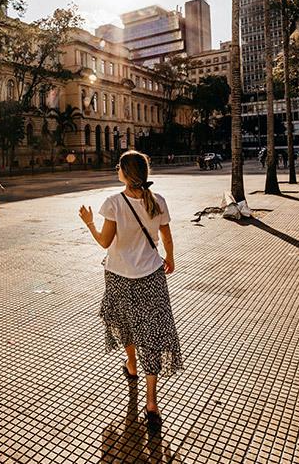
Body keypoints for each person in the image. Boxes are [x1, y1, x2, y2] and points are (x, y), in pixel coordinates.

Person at [79, 150, 182, 432]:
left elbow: (104, 241)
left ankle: (131, 365)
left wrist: (88, 221)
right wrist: (170, 258)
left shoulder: (114, 202)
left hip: (119, 276)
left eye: (118, 168)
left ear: (125, 173)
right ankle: (152, 403)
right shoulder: (157, 201)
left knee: (124, 323)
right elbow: (167, 236)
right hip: (152, 276)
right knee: (152, 333)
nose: (116, 171)